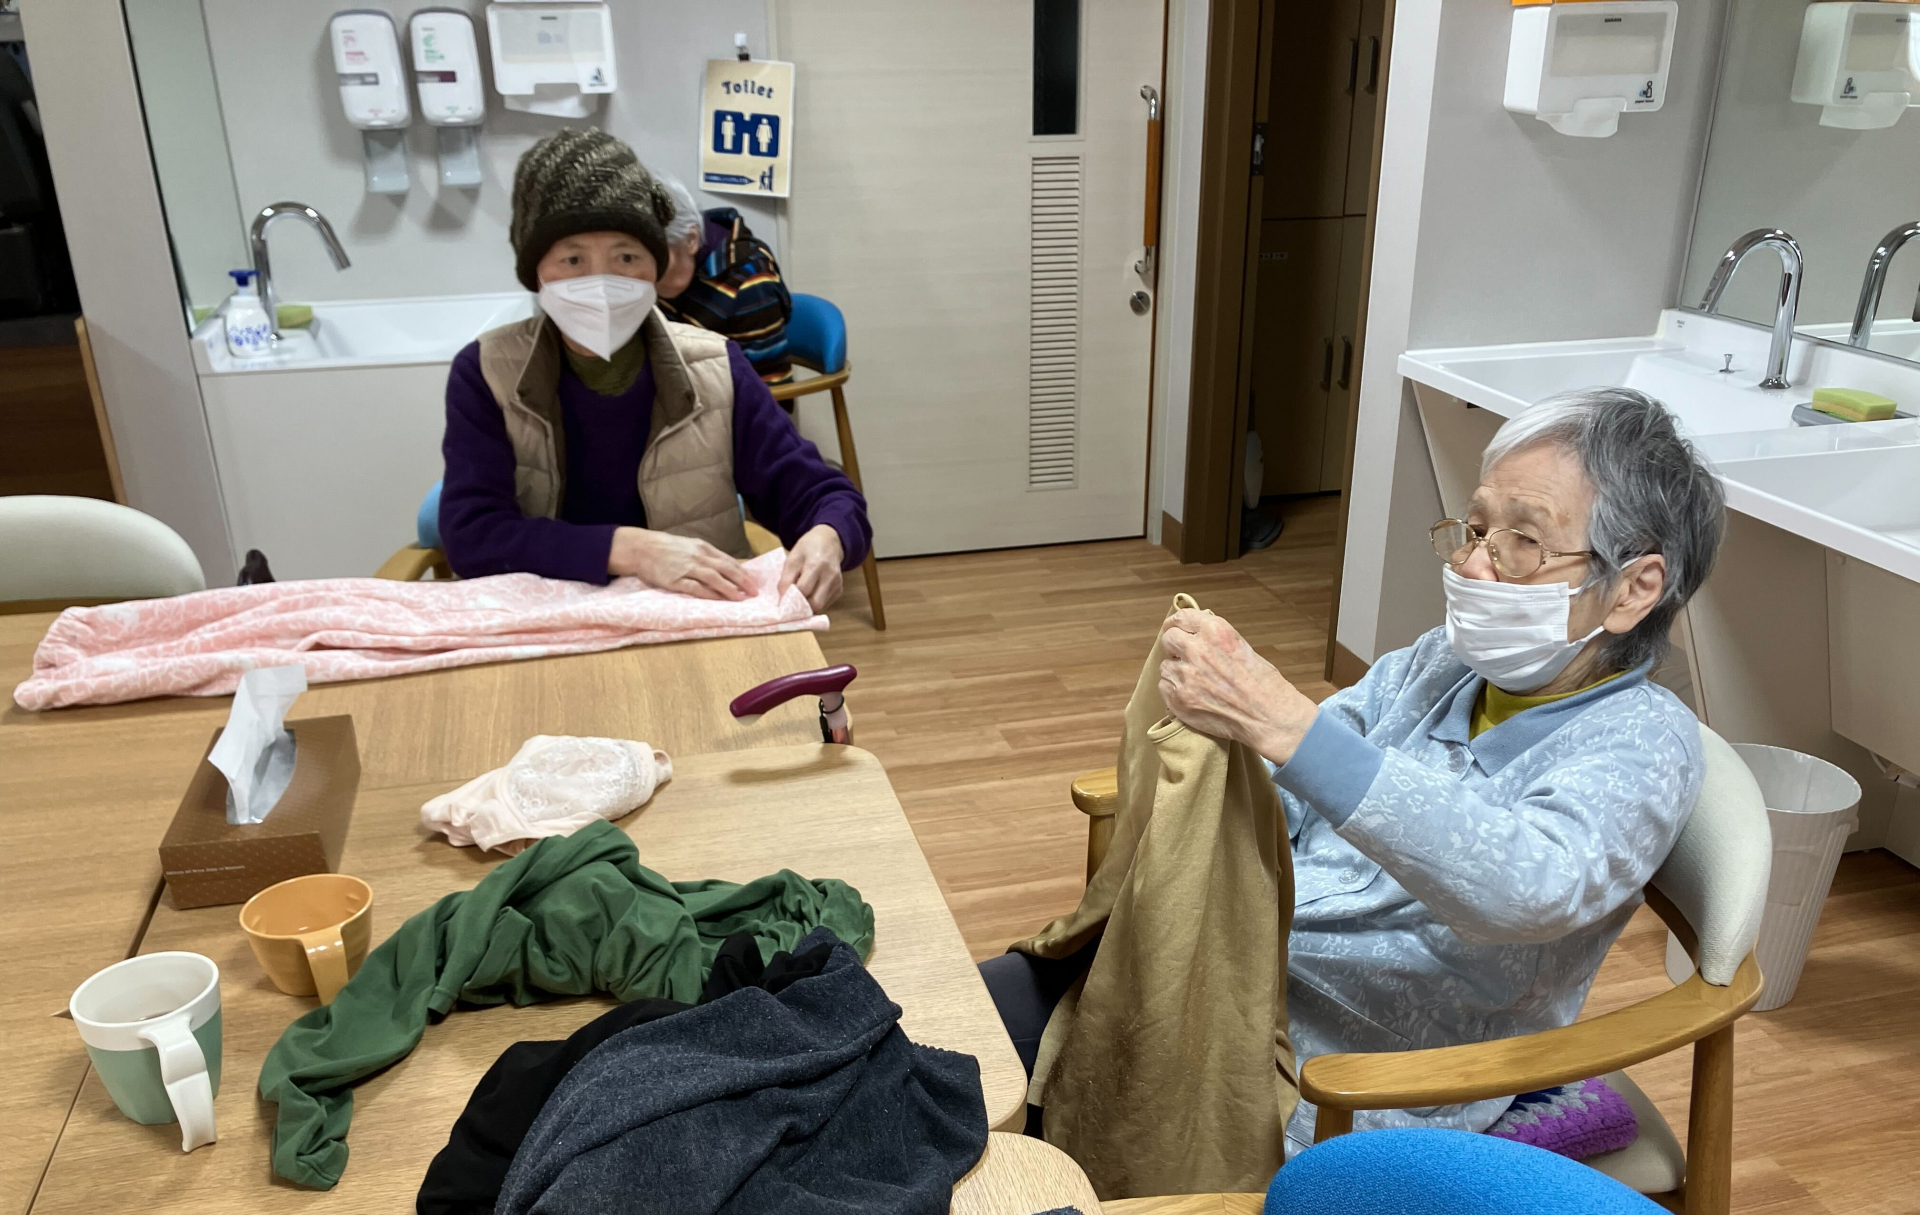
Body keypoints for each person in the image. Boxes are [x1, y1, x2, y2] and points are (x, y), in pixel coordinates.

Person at [985, 387, 1726, 1153]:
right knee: (957, 1025)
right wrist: (1216, 767)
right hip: (1230, 974)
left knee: (996, 1117)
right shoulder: (1443, 664)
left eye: (1523, 542)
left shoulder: (1643, 744)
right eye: (1476, 530)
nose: (1474, 565)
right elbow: (1295, 782)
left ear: (1634, 588)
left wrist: (1285, 726)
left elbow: (1527, 889)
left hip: (1353, 1079)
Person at [437, 128, 866, 608]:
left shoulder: (716, 367)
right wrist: (630, 549)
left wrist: (829, 535)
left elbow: (817, 491)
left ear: (655, 268)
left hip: (694, 617)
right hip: (549, 619)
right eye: (573, 259)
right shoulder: (487, 372)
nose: (601, 282)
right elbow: (473, 536)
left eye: (626, 257)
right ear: (536, 272)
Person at [654, 176, 793, 386]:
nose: (647, 272)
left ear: (691, 240)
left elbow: (770, 389)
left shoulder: (750, 282)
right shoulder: (662, 268)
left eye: (657, 257)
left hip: (726, 399)